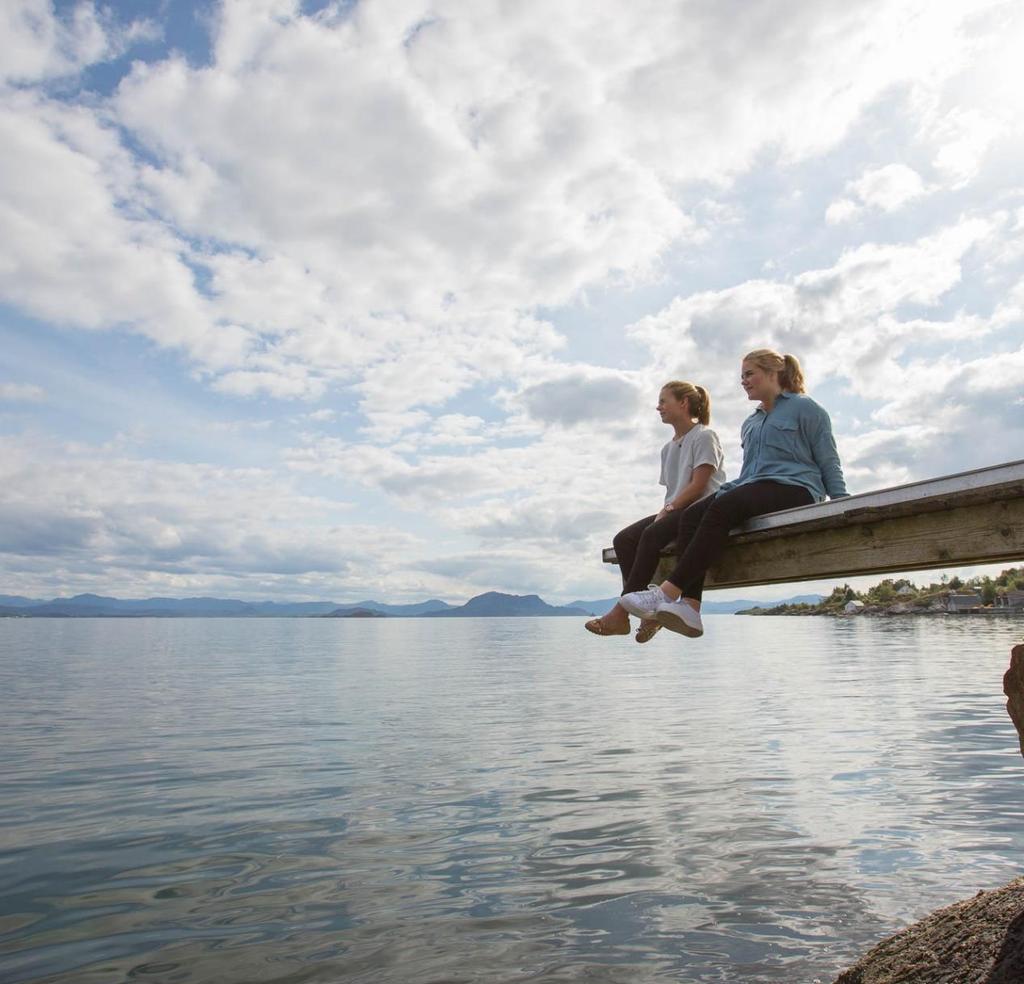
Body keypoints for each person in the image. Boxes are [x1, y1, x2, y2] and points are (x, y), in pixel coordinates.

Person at [620, 349, 848, 639]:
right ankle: (690, 608)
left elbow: (828, 459)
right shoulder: (750, 422)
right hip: (754, 488)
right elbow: (752, 472)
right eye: (742, 376)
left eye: (749, 374)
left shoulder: (806, 408)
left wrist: (841, 503)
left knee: (724, 506)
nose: (744, 381)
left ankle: (666, 593)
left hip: (797, 488)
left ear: (772, 372)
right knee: (692, 515)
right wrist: (729, 490)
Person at [586, 381, 725, 643]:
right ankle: (647, 614)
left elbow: (699, 485)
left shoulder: (705, 436)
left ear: (683, 403)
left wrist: (669, 509)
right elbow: (674, 489)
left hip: (701, 509)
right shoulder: (668, 448)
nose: (658, 407)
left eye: (664, 401)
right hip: (676, 509)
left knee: (651, 535)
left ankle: (619, 613)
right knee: (624, 539)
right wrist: (669, 508)